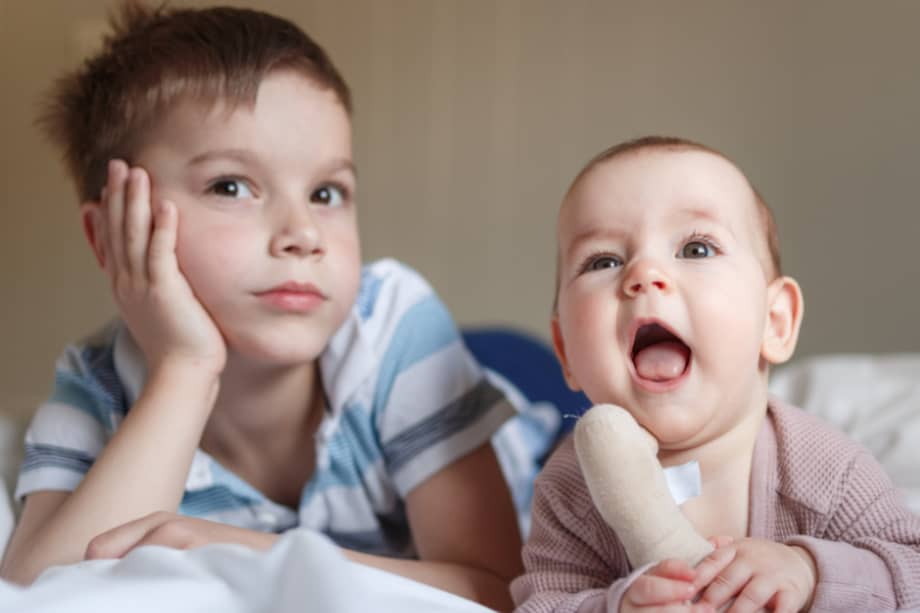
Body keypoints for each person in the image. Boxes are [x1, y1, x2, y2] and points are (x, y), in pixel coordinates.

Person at [0, 4, 528, 608]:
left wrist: (247, 549)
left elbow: (499, 592)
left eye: (326, 192)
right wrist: (185, 369)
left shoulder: (394, 327)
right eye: (231, 186)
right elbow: (35, 594)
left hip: (493, 387)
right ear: (112, 234)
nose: (303, 233)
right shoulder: (96, 381)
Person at [512, 136, 920, 612]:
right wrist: (614, 607)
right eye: (604, 261)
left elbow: (910, 572)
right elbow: (543, 601)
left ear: (775, 323)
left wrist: (811, 572)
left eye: (696, 249)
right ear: (565, 351)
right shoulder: (570, 488)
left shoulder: (824, 470)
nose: (644, 274)